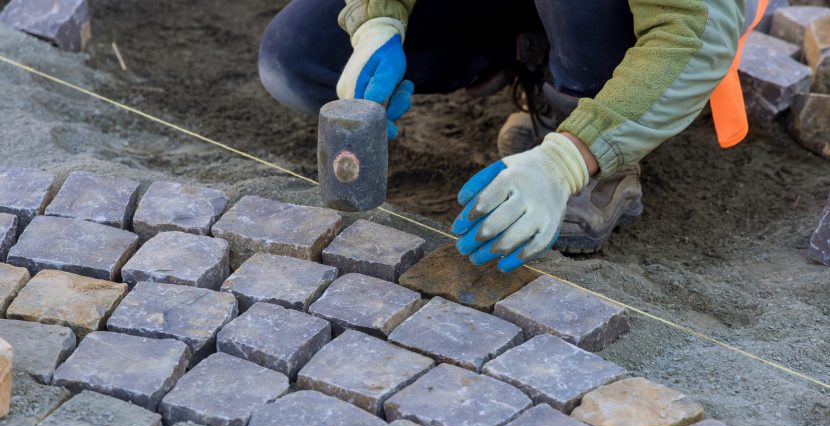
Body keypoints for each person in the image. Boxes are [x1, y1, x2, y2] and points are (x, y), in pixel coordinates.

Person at [259, 0, 765, 272]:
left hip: (653, 16)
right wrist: (377, 20)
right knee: (294, 60)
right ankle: (525, 56)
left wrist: (569, 159)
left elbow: (694, 31)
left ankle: (590, 126)